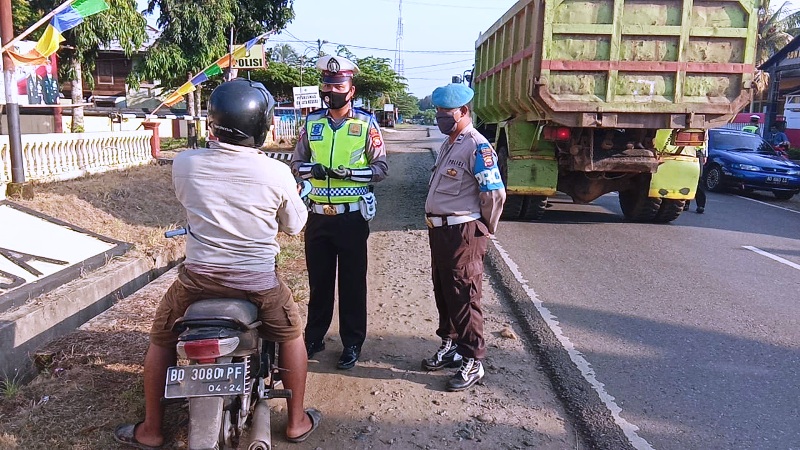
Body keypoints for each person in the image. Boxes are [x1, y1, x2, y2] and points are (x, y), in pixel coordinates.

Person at [113, 79, 320, 448]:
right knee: (291, 334)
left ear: (213, 123)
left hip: (197, 279)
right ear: (264, 128)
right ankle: (296, 421)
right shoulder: (276, 172)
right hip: (258, 282)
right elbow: (294, 225)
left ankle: (152, 429)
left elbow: (191, 200)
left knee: (161, 339)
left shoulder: (185, 162)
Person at [291, 55, 388, 370]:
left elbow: (381, 169)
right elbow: (296, 163)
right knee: (319, 284)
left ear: (351, 90)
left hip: (351, 217)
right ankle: (314, 337)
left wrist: (350, 174)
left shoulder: (365, 125)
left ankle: (352, 343)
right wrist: (310, 169)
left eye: (337, 85)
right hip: (318, 215)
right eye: (327, 84)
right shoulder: (312, 123)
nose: (330, 90)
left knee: (352, 283)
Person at [422, 83, 506, 392]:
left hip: (463, 231)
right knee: (444, 290)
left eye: (446, 113)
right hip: (441, 231)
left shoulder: (477, 146)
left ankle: (473, 360)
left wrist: (483, 228)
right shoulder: (449, 143)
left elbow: (494, 194)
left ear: (464, 112)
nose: (441, 117)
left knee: (465, 294)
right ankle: (451, 344)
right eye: (438, 112)